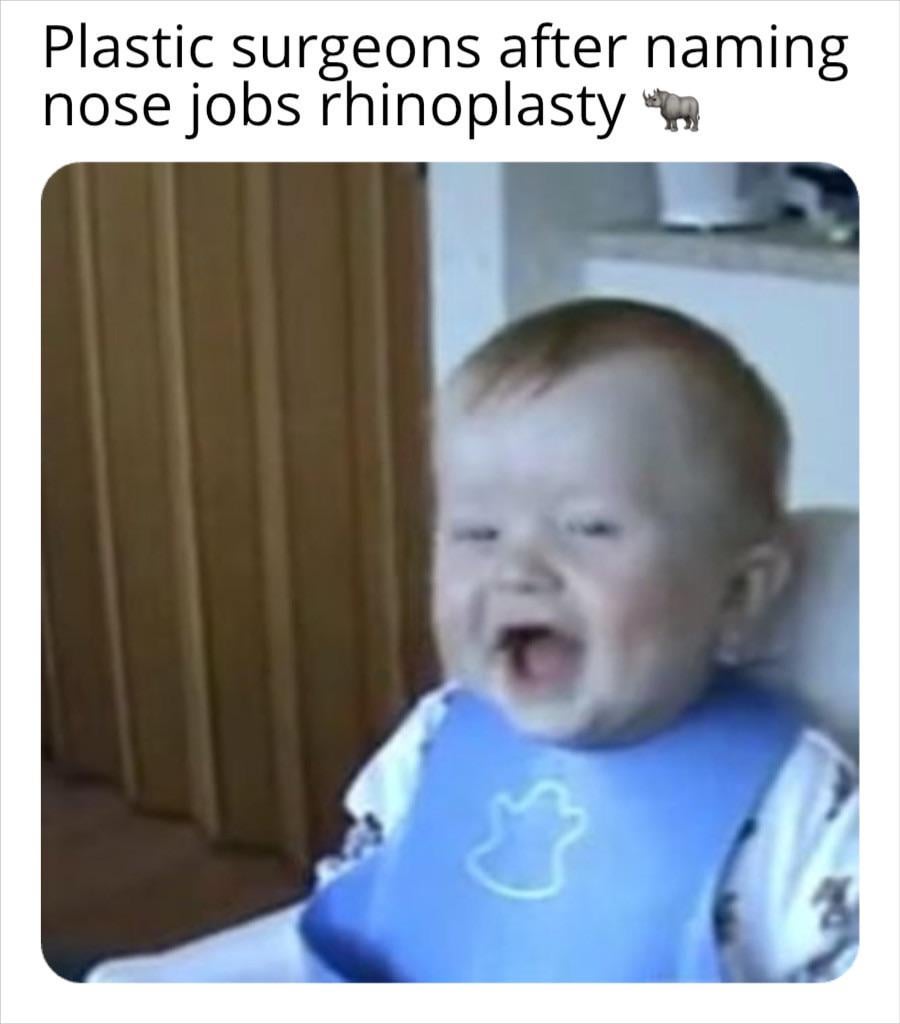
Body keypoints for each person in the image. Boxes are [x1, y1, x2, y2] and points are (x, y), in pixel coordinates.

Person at [298, 298, 858, 983]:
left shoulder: (799, 806)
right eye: (477, 533)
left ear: (737, 593)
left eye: (589, 528)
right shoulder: (433, 742)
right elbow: (362, 912)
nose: (517, 568)